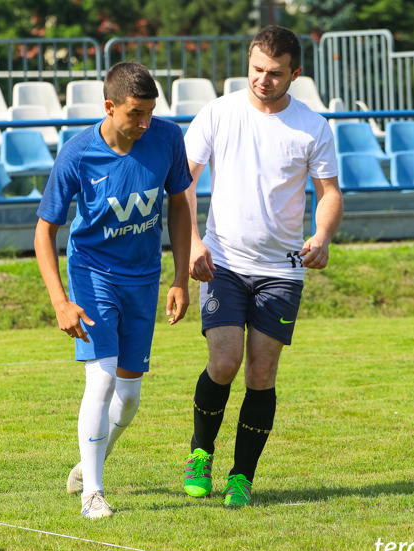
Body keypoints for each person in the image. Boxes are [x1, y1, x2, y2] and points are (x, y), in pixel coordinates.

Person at [181, 25, 344, 508]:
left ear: (296, 72)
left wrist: (323, 236)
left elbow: (329, 193)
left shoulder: (312, 126)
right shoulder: (218, 113)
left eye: (275, 73)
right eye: (256, 69)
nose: (263, 80)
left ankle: (242, 477)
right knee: (225, 361)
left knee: (261, 373)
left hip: (283, 269)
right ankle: (200, 452)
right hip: (223, 262)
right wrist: (191, 242)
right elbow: (183, 184)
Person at [34, 62, 193, 519]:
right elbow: (44, 231)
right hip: (93, 274)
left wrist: (180, 278)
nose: (144, 123)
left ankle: (88, 465)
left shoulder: (167, 138)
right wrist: (60, 301)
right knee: (101, 378)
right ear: (109, 106)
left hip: (143, 278)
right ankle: (93, 496)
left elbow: (180, 205)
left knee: (130, 398)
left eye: (149, 113)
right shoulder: (78, 154)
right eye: (135, 114)